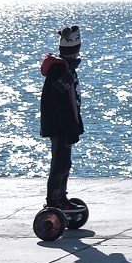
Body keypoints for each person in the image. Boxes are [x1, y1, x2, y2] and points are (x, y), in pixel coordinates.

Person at [40, 25, 85, 209]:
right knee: (60, 164)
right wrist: (70, 130)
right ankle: (54, 200)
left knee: (64, 163)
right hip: (60, 127)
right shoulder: (60, 71)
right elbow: (62, 105)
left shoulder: (64, 68)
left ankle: (61, 198)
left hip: (63, 125)